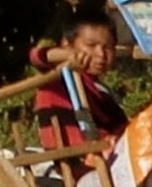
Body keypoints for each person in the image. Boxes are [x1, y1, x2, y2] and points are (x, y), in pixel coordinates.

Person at [31, 11, 129, 151]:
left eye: (107, 48)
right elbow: (37, 56)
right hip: (78, 158)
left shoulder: (102, 91)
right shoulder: (58, 77)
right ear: (66, 44)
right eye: (91, 45)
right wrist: (69, 56)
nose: (101, 54)